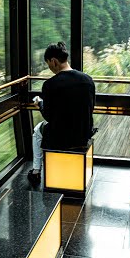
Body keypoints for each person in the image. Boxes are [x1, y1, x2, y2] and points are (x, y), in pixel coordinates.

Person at [28, 41, 96, 186]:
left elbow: (49, 116)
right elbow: (90, 108)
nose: (49, 68)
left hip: (60, 138)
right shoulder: (87, 80)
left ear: (53, 61)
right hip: (83, 135)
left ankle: (35, 171)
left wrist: (40, 104)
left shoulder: (50, 85)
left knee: (37, 131)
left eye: (48, 64)